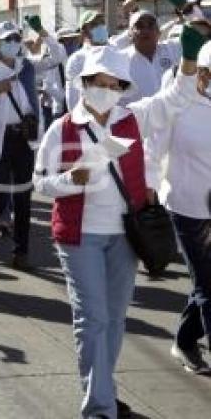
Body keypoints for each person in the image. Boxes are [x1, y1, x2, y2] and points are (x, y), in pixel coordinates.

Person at [34, 30, 202, 419]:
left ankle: (102, 390)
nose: (107, 91)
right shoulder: (61, 129)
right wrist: (68, 180)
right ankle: (100, 408)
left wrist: (190, 61)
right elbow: (41, 181)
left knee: (113, 320)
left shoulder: (133, 119)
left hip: (126, 236)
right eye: (100, 84)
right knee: (91, 319)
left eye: (115, 85)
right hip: (79, 238)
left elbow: (176, 98)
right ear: (85, 84)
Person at [0, 16, 67, 269]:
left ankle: (21, 252)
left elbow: (58, 56)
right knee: (0, 197)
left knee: (23, 197)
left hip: (24, 137)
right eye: (7, 40)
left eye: (16, 38)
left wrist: (41, 31)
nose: (13, 43)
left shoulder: (26, 66)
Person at [146, 40, 211, 374]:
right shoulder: (177, 105)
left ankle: (185, 340)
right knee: (208, 285)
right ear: (201, 74)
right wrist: (149, 192)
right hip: (187, 207)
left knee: (205, 284)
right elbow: (152, 151)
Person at [115, 10, 181, 104]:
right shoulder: (119, 61)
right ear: (129, 35)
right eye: (139, 26)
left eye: (151, 25)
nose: (146, 31)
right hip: (137, 117)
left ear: (158, 32)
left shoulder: (173, 49)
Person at [65, 10, 111, 111]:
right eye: (94, 24)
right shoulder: (77, 60)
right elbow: (73, 98)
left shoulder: (115, 53)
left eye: (102, 23)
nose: (100, 27)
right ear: (84, 32)